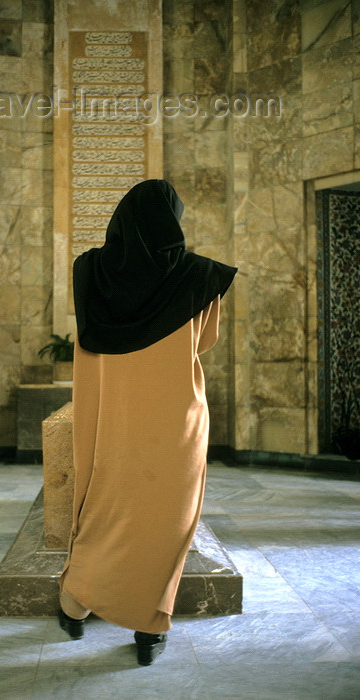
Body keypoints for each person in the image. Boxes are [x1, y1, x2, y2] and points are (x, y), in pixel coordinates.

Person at [58, 179, 237, 665]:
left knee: (102, 503)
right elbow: (203, 342)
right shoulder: (199, 275)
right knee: (165, 518)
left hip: (108, 414)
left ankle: (75, 602)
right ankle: (147, 623)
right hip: (173, 418)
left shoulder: (89, 271)